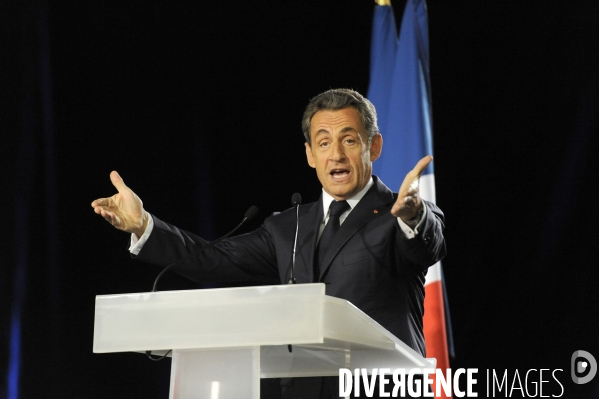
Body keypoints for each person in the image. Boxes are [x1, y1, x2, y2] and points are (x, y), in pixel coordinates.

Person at [92, 88, 446, 398]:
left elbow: (426, 245)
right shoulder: (287, 226)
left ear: (374, 146)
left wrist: (413, 215)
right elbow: (210, 259)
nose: (335, 154)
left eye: (349, 140)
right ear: (310, 155)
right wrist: (144, 225)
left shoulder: (398, 214)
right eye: (324, 142)